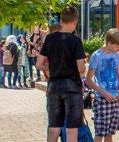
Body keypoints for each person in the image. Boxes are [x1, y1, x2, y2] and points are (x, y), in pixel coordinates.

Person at [37, 7, 87, 142]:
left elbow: (39, 64)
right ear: (74, 21)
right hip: (72, 87)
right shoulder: (75, 40)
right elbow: (81, 68)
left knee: (53, 126)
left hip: (53, 86)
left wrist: (52, 66)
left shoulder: (50, 38)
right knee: (71, 128)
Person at [86, 29, 119, 142]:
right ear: (109, 42)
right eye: (117, 46)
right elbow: (88, 80)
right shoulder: (96, 56)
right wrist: (104, 93)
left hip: (115, 98)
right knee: (100, 133)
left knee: (109, 134)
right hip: (102, 99)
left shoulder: (116, 55)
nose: (118, 49)